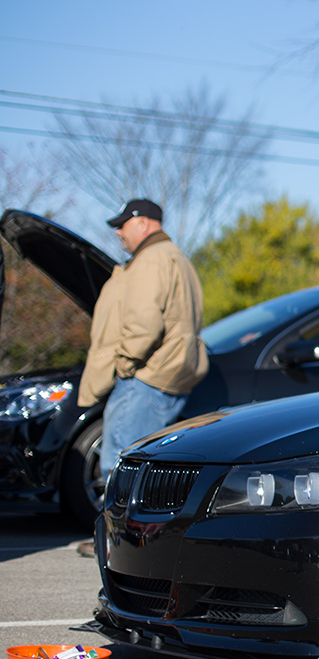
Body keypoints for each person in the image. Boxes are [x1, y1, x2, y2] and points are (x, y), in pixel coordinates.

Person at [78, 199, 209, 481]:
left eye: (122, 225)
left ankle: (119, 526)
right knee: (146, 467)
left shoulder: (150, 260)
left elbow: (144, 326)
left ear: (142, 223)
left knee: (121, 468)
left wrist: (124, 366)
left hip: (144, 378)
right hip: (168, 374)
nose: (117, 232)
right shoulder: (177, 258)